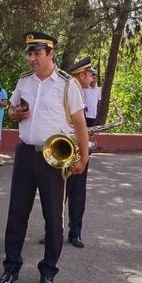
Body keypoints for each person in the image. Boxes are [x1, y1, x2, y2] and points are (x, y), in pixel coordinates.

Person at [0, 31, 89, 283]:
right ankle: (11, 267)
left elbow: (80, 123)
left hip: (54, 158)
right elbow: (13, 111)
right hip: (26, 153)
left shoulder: (67, 83)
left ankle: (48, 271)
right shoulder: (24, 81)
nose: (31, 58)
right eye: (29, 53)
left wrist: (83, 157)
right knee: (17, 213)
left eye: (37, 53)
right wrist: (16, 112)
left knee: (52, 217)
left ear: (51, 54)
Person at [64, 57, 95, 248]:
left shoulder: (82, 93)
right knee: (57, 194)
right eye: (91, 74)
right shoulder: (66, 90)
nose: (92, 78)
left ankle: (75, 232)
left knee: (77, 194)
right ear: (82, 74)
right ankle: (52, 230)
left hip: (76, 148)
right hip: (62, 146)